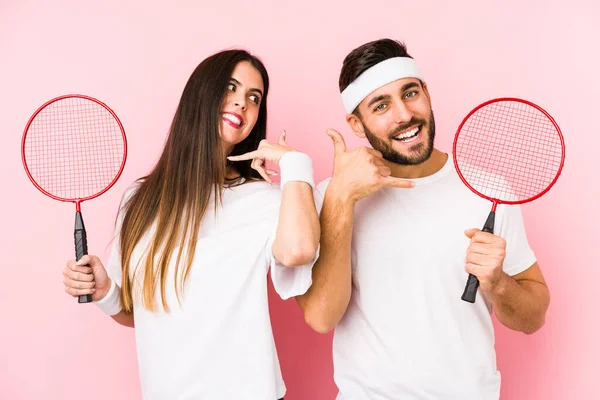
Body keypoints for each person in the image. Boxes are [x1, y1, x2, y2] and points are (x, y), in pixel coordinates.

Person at [297, 38, 550, 400]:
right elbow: (321, 317)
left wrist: (498, 283)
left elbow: (533, 317)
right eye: (381, 105)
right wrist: (342, 198)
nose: (403, 115)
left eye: (410, 93)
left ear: (427, 94)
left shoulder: (488, 191)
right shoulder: (329, 197)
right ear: (356, 123)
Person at [62, 49, 320, 400]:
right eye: (230, 87)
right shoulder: (140, 199)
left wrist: (295, 164)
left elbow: (299, 251)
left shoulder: (264, 199)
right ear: (202, 93)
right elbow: (141, 313)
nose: (242, 103)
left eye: (253, 97)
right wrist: (106, 290)